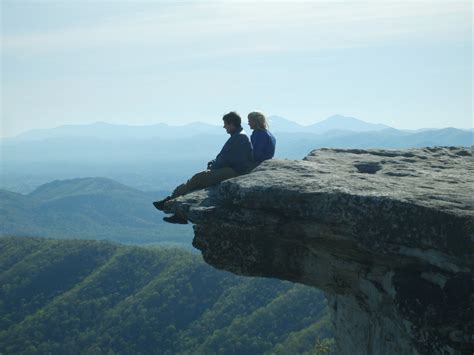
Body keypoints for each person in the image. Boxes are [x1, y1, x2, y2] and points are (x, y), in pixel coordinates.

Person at [153, 111, 253, 224]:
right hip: (235, 169)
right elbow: (227, 157)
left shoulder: (239, 138)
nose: (224, 126)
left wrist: (214, 165)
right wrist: (214, 162)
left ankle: (171, 202)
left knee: (198, 178)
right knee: (198, 179)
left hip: (235, 171)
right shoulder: (239, 136)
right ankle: (175, 206)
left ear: (231, 124)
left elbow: (225, 158)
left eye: (225, 124)